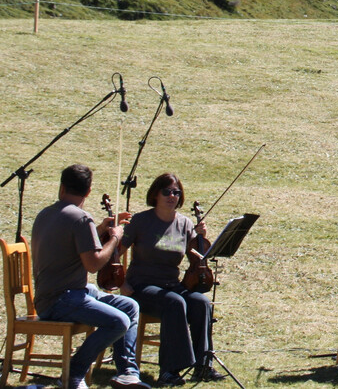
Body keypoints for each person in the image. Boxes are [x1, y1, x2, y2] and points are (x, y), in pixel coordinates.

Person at [30, 164, 148, 389]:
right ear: (88, 192)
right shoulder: (81, 219)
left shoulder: (45, 214)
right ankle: (73, 373)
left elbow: (71, 248)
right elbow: (93, 264)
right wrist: (115, 238)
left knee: (130, 306)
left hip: (56, 295)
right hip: (61, 300)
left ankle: (126, 373)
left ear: (62, 187)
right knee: (119, 322)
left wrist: (101, 229)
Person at [119, 174, 221, 386]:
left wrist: (200, 238)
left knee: (201, 302)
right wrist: (121, 283)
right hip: (141, 286)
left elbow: (198, 258)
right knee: (174, 303)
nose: (172, 196)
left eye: (176, 192)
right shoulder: (141, 221)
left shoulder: (184, 223)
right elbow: (115, 253)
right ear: (155, 194)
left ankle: (203, 366)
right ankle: (170, 370)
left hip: (172, 285)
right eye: (167, 192)